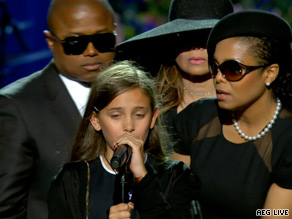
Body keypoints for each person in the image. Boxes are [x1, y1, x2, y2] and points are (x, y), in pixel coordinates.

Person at [0, 0, 116, 218]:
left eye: (102, 40)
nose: (91, 51)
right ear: (51, 41)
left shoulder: (137, 93)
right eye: (75, 43)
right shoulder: (17, 107)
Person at [172, 10, 292, 218]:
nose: (218, 78)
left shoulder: (287, 140)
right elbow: (174, 199)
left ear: (270, 73)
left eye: (232, 69)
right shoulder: (197, 118)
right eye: (215, 67)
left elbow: (277, 213)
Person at [47, 61, 201, 219]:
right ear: (96, 121)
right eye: (116, 115)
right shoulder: (73, 181)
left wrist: (142, 176)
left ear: (153, 118)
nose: (129, 126)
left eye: (139, 115)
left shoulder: (175, 176)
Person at [116, 0, 233, 121]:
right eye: (186, 37)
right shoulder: (146, 104)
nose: (196, 47)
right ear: (172, 44)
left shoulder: (246, 103)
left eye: (206, 38)